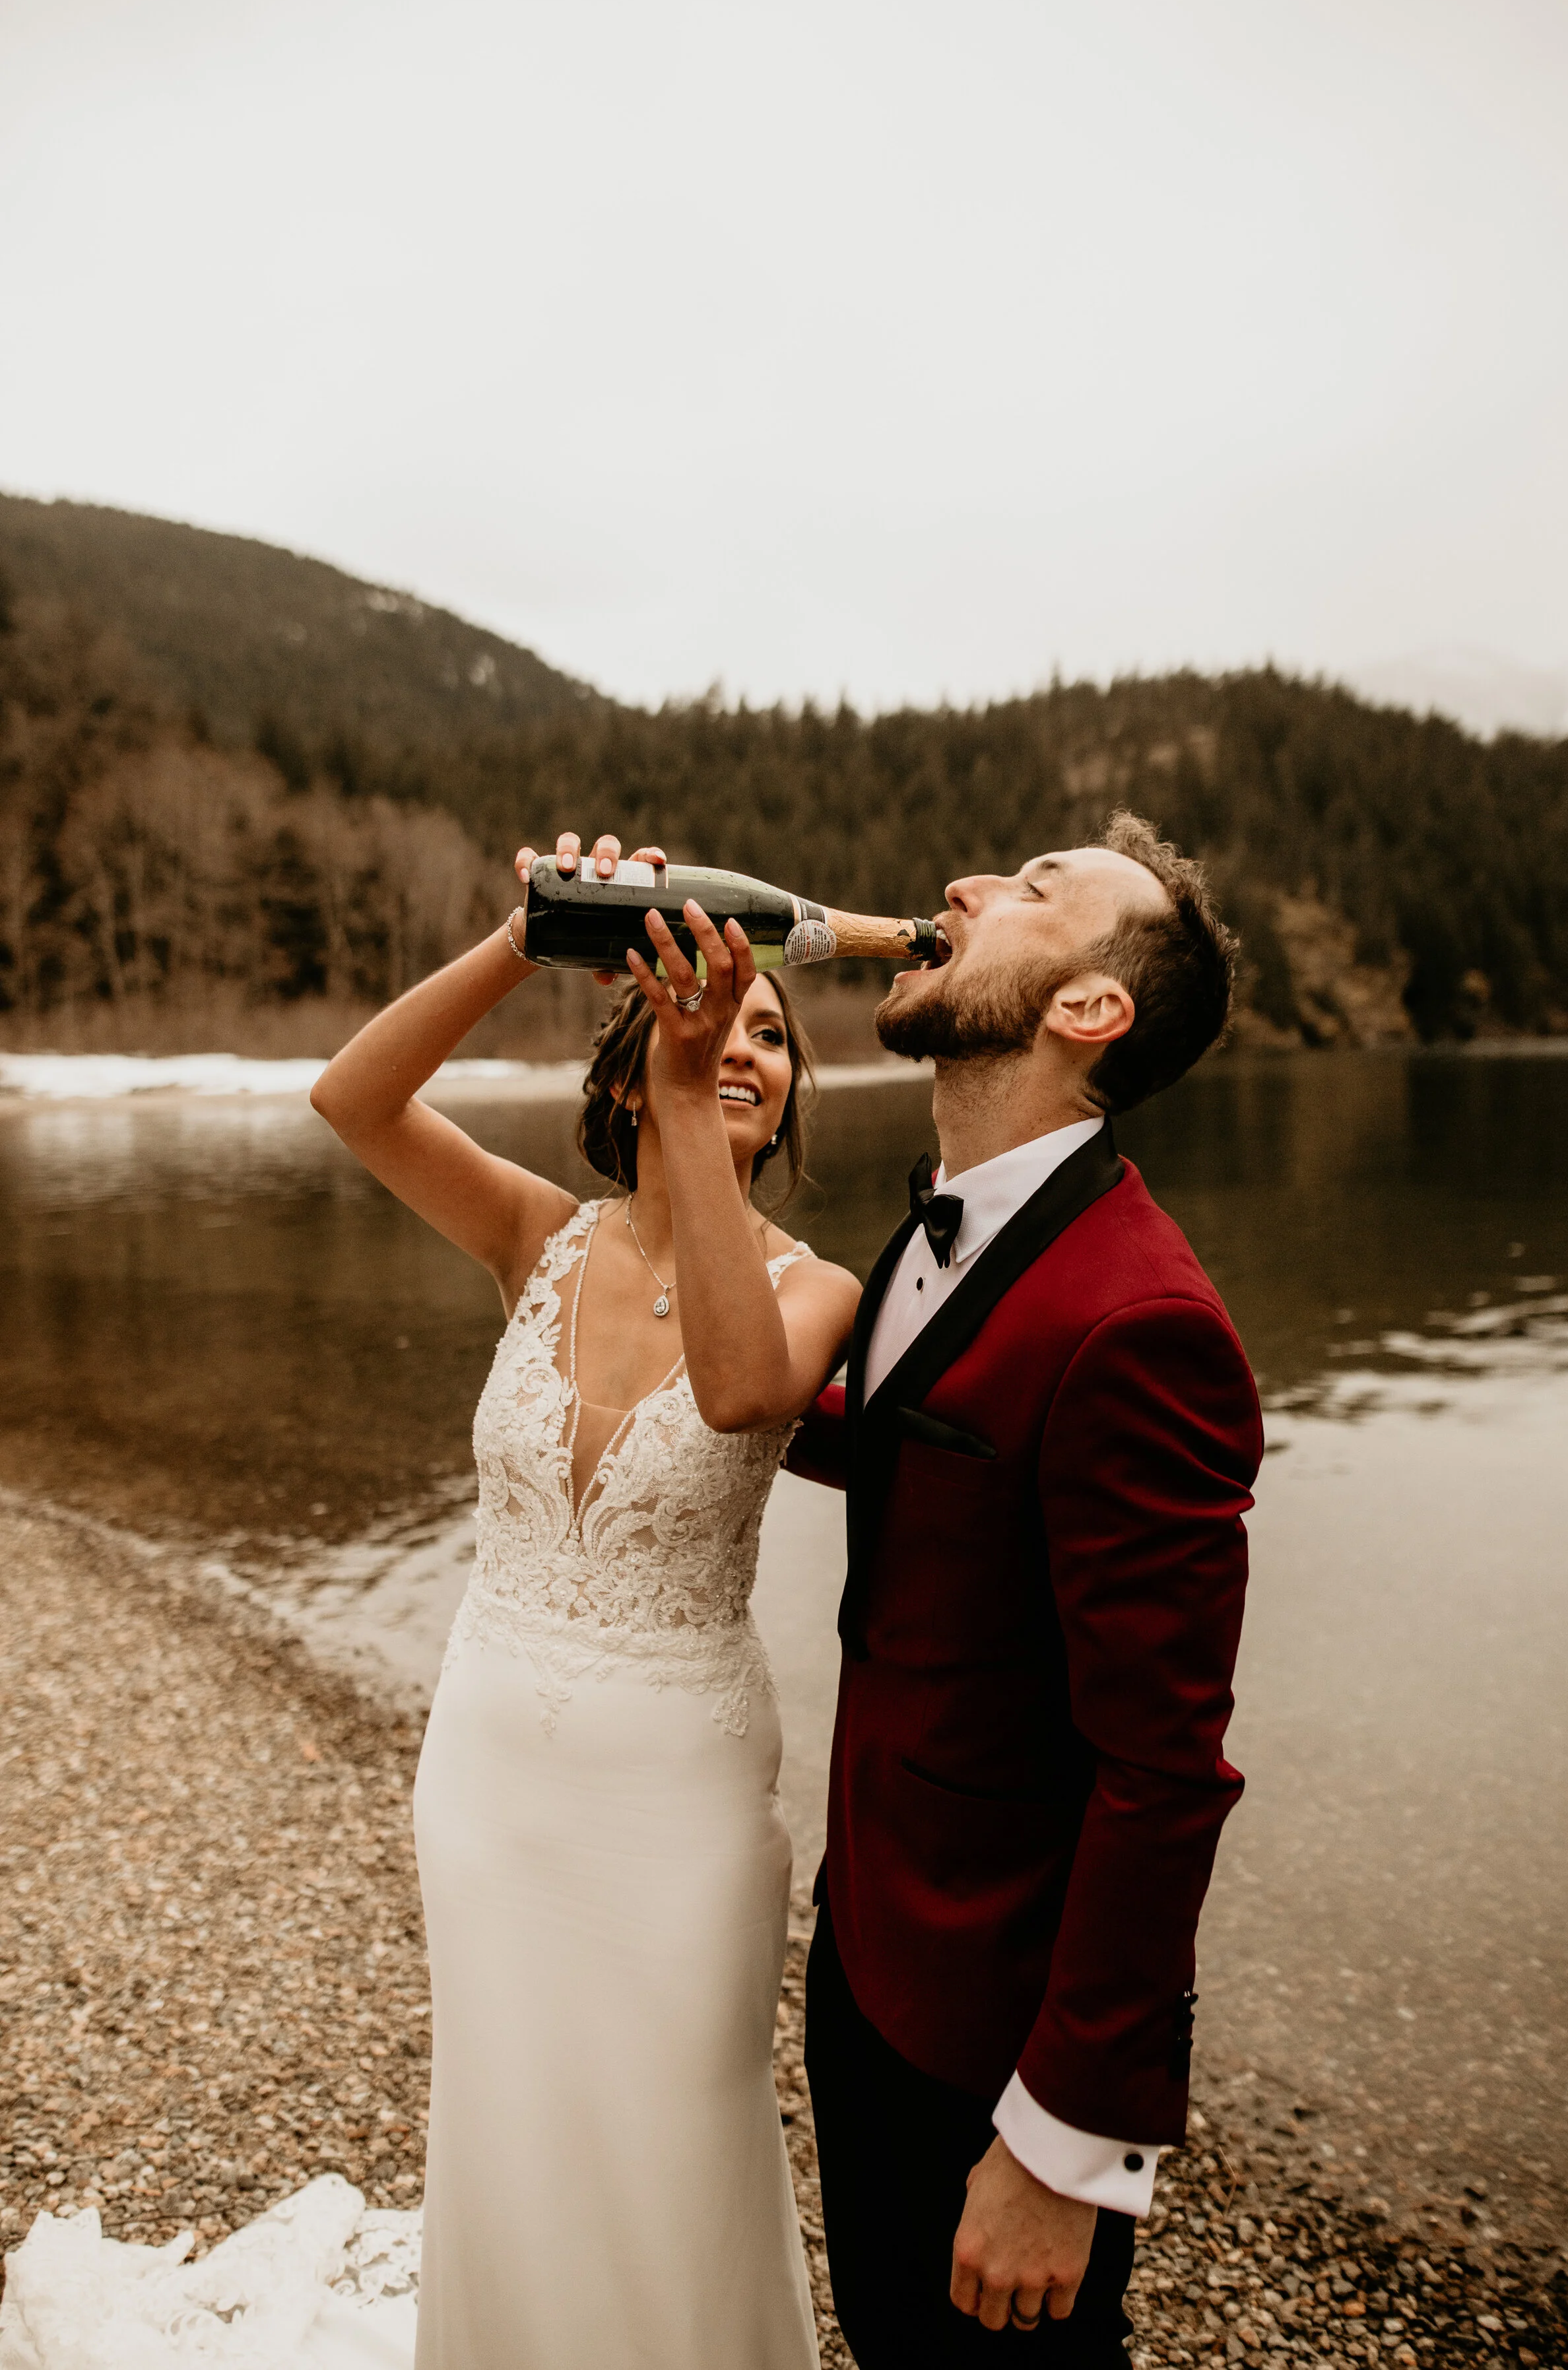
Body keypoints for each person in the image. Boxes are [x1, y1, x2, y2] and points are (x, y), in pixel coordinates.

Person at [310, 833, 861, 2370]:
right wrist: (529, 933)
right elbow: (349, 1098)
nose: (744, 1043)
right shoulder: (533, 1237)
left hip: (677, 1797)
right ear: (627, 1076)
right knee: (511, 2119)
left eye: (770, 1034)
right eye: (711, 1025)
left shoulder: (814, 1288)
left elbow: (748, 1392)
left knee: (674, 2137)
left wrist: (697, 1093)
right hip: (490, 1768)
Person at [785, 810, 1264, 2364]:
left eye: (1028, 890)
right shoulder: (950, 1218)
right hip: (869, 1951)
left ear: (1088, 1010)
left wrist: (1062, 2148)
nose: (961, 891)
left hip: (995, 2046)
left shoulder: (1142, 1327)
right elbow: (888, 1457)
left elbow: (1160, 1775)